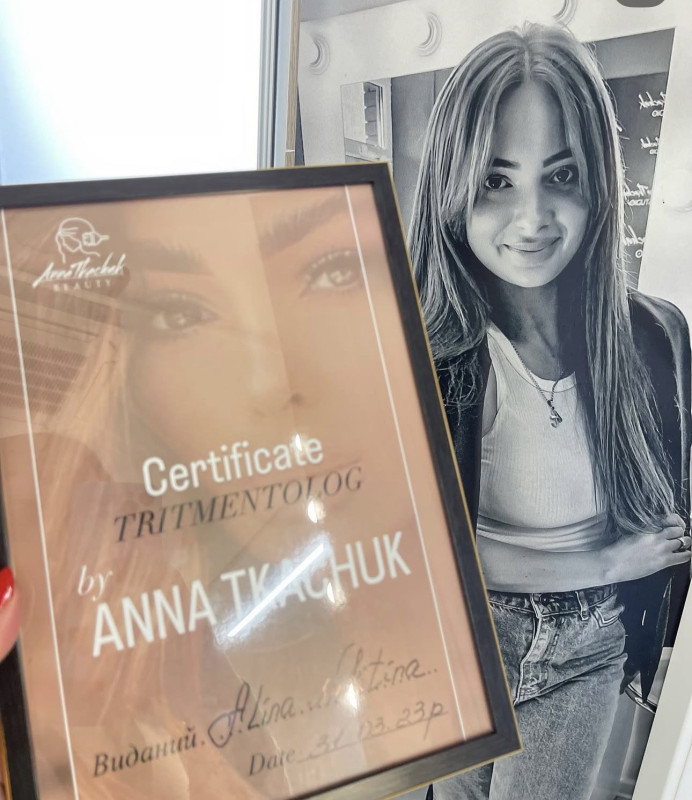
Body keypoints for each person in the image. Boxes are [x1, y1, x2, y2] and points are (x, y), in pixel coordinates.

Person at [408, 23, 692, 800]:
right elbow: (430, 551)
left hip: (590, 646)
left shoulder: (656, 336)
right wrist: (602, 564)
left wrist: (656, 647)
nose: (532, 217)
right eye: (497, 181)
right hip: (463, 641)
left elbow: (669, 519)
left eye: (560, 175)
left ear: (598, 179)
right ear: (453, 187)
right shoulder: (422, 350)